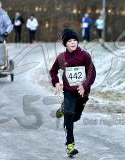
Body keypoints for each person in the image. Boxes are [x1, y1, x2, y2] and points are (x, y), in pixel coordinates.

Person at [49, 28, 96, 157]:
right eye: (69, 41)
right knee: (69, 116)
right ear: (65, 43)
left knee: (76, 117)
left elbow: (92, 73)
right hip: (68, 92)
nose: (73, 42)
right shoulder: (62, 57)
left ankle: (64, 108)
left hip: (82, 93)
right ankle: (70, 145)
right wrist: (56, 82)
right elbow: (52, 71)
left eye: (75, 40)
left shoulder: (84, 56)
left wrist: (84, 85)